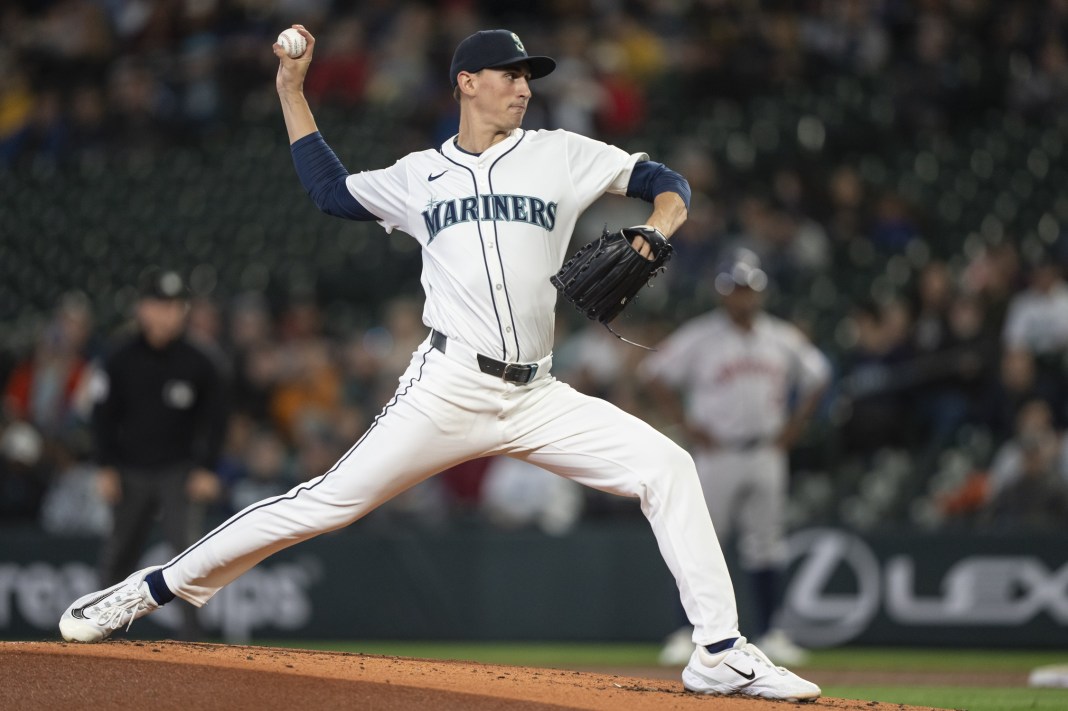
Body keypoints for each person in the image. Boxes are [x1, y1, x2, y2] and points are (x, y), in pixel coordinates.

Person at [59, 27, 820, 701]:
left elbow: (665, 182)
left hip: (538, 393)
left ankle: (719, 650)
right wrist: (292, 89)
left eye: (528, 77)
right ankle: (143, 591)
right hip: (448, 386)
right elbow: (328, 191)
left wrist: (661, 222)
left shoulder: (559, 153)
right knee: (322, 504)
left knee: (668, 467)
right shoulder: (419, 174)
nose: (524, 87)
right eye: (511, 75)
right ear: (467, 82)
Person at [641, 249, 831, 667]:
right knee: (699, 543)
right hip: (718, 452)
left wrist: (796, 426)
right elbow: (653, 373)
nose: (741, 296)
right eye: (734, 289)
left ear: (759, 291)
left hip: (766, 451)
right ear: (721, 293)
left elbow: (819, 375)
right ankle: (686, 633)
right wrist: (686, 424)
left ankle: (772, 633)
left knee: (767, 545)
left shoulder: (781, 337)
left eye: (748, 288)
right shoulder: (700, 336)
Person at [88, 268, 229, 641]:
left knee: (189, 555)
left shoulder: (200, 359)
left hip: (179, 471)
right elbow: (101, 415)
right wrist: (104, 466)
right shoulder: (119, 356)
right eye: (159, 304)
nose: (166, 313)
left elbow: (217, 420)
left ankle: (193, 638)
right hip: (129, 468)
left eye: (173, 305)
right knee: (120, 553)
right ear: (142, 308)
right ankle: (99, 631)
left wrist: (207, 468)